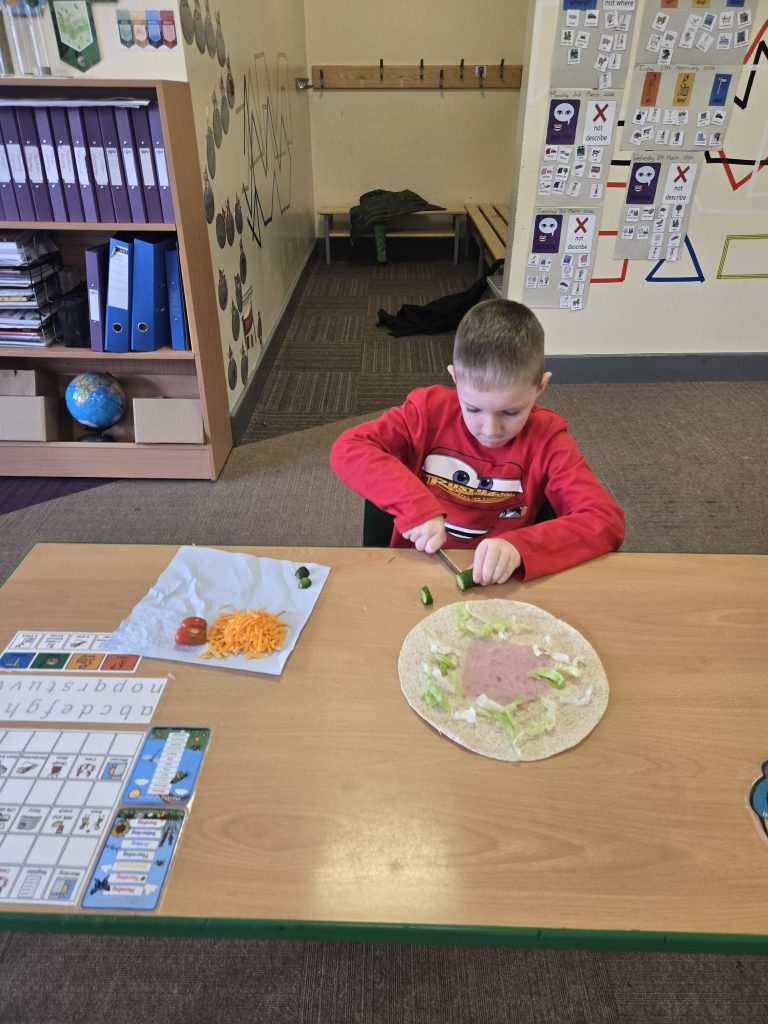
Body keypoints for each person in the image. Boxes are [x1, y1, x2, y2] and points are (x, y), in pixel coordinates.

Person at [330, 299, 625, 584]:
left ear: (540, 387)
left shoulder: (547, 439)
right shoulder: (427, 412)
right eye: (472, 408)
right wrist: (415, 507)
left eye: (510, 412)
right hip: (417, 567)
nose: (491, 429)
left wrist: (521, 547)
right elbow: (349, 448)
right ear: (455, 378)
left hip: (501, 579)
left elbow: (605, 520)